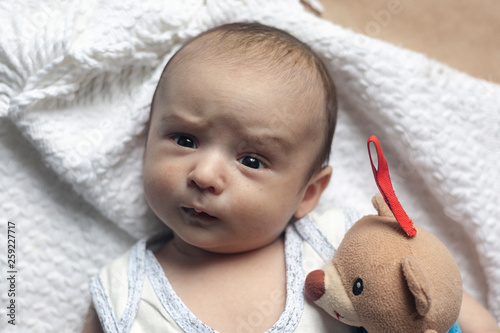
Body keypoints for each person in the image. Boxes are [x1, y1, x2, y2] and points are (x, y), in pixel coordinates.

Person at [82, 22, 499, 333]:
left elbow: (442, 299)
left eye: (252, 160)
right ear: (147, 139)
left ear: (308, 193)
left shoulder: (340, 243)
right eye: (186, 139)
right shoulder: (122, 293)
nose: (205, 174)